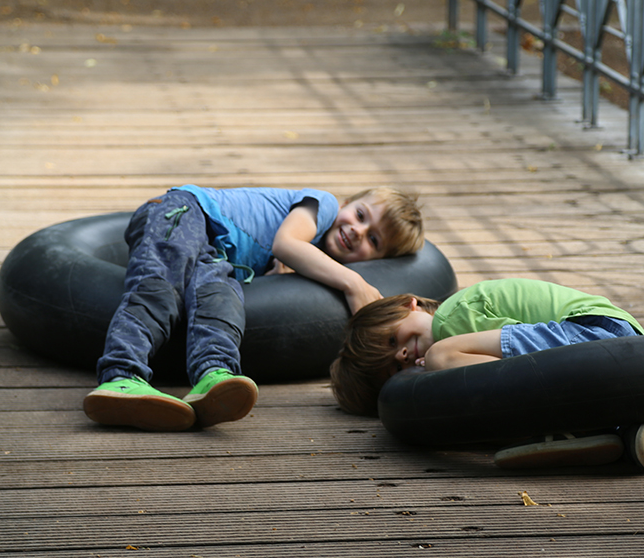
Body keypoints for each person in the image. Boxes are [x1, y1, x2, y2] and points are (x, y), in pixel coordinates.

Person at [82, 185, 423, 432]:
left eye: (374, 241)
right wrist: (354, 283)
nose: (357, 231)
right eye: (361, 215)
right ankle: (121, 376)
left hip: (214, 253)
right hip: (183, 212)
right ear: (347, 202)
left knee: (222, 300)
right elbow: (286, 243)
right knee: (159, 288)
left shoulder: (317, 253)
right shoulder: (323, 205)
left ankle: (213, 376)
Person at [329, 278, 644, 471]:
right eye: (395, 368)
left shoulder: (450, 317)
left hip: (592, 332)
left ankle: (560, 432)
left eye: (392, 339)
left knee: (442, 358)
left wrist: (438, 364)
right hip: (616, 352)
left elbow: (525, 355)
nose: (403, 354)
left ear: (408, 305)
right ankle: (628, 431)